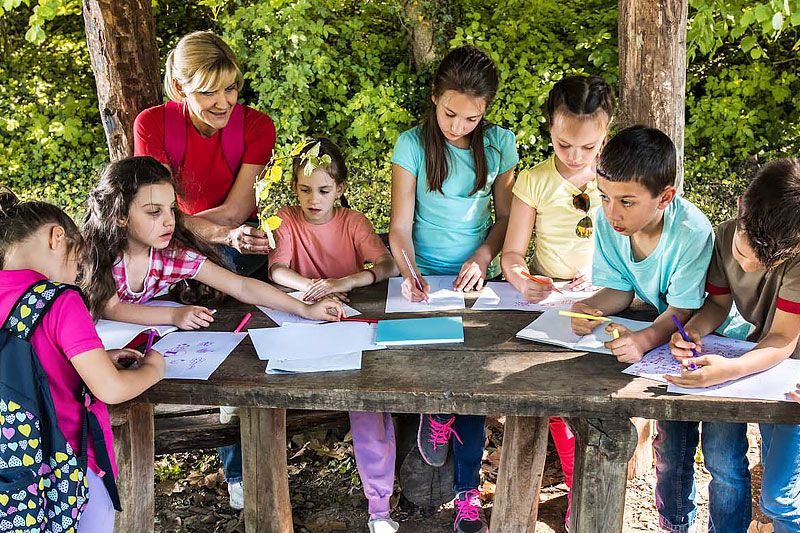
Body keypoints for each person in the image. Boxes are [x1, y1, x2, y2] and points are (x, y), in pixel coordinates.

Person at [79, 156, 344, 509]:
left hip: (132, 360)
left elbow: (241, 286)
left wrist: (304, 308)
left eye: (172, 209)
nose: (169, 221)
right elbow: (110, 308)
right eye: (154, 212)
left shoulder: (170, 253)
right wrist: (174, 315)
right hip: (84, 368)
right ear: (120, 216)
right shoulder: (97, 252)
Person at [568, 126, 749, 532]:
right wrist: (590, 308)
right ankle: (674, 524)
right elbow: (618, 288)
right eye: (605, 198)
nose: (612, 212)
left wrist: (645, 340)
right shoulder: (608, 223)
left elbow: (686, 308)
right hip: (670, 348)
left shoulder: (691, 231)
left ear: (665, 197)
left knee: (724, 459)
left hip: (717, 344)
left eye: (626, 202)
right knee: (673, 450)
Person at [388, 45, 518, 533]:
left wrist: (483, 258)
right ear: (433, 96)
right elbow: (399, 227)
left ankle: (467, 491)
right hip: (422, 278)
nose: (459, 125)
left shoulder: (501, 144)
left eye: (472, 117)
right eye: (449, 113)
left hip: (477, 283)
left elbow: (506, 220)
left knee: (476, 387)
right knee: (429, 370)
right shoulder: (412, 145)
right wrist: (407, 271)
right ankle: (432, 415)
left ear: (487, 111)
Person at [0, 188, 165, 532]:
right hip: (68, 471)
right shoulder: (58, 299)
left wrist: (95, 358)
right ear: (57, 236)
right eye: (77, 262)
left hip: (11, 475)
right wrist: (153, 368)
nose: (75, 275)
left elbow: (21, 359)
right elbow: (111, 388)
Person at [501, 74, 615, 528]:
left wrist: (608, 277)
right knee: (549, 396)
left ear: (605, 136)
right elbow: (512, 253)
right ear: (550, 127)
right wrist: (522, 277)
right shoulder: (534, 181)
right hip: (553, 300)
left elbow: (636, 247)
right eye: (565, 144)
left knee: (601, 397)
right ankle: (573, 485)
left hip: (609, 298)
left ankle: (592, 486)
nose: (575, 157)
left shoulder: (618, 179)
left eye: (589, 148)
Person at [269, 138, 399, 533]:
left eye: (324, 190)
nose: (313, 199)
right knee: (263, 395)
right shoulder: (286, 219)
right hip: (299, 320)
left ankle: (379, 507)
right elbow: (276, 269)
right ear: (294, 187)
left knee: (368, 406)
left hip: (350, 323)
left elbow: (387, 263)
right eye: (305, 189)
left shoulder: (353, 222)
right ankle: (264, 499)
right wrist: (312, 286)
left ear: (339, 190)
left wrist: (342, 281)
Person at [667, 158, 800, 533]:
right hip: (771, 371)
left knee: (782, 499)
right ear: (741, 206)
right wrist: (693, 329)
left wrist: (730, 369)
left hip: (789, 375)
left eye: (764, 263)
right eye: (744, 255)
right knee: (781, 487)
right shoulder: (725, 236)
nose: (748, 265)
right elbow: (717, 304)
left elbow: (783, 338)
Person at [134, 30, 275, 276]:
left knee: (216, 265)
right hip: (174, 235)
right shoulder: (151, 124)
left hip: (236, 239)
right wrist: (213, 234)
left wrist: (176, 225)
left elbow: (234, 214)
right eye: (208, 92)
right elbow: (155, 208)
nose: (223, 103)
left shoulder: (257, 127)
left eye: (229, 89)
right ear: (180, 88)